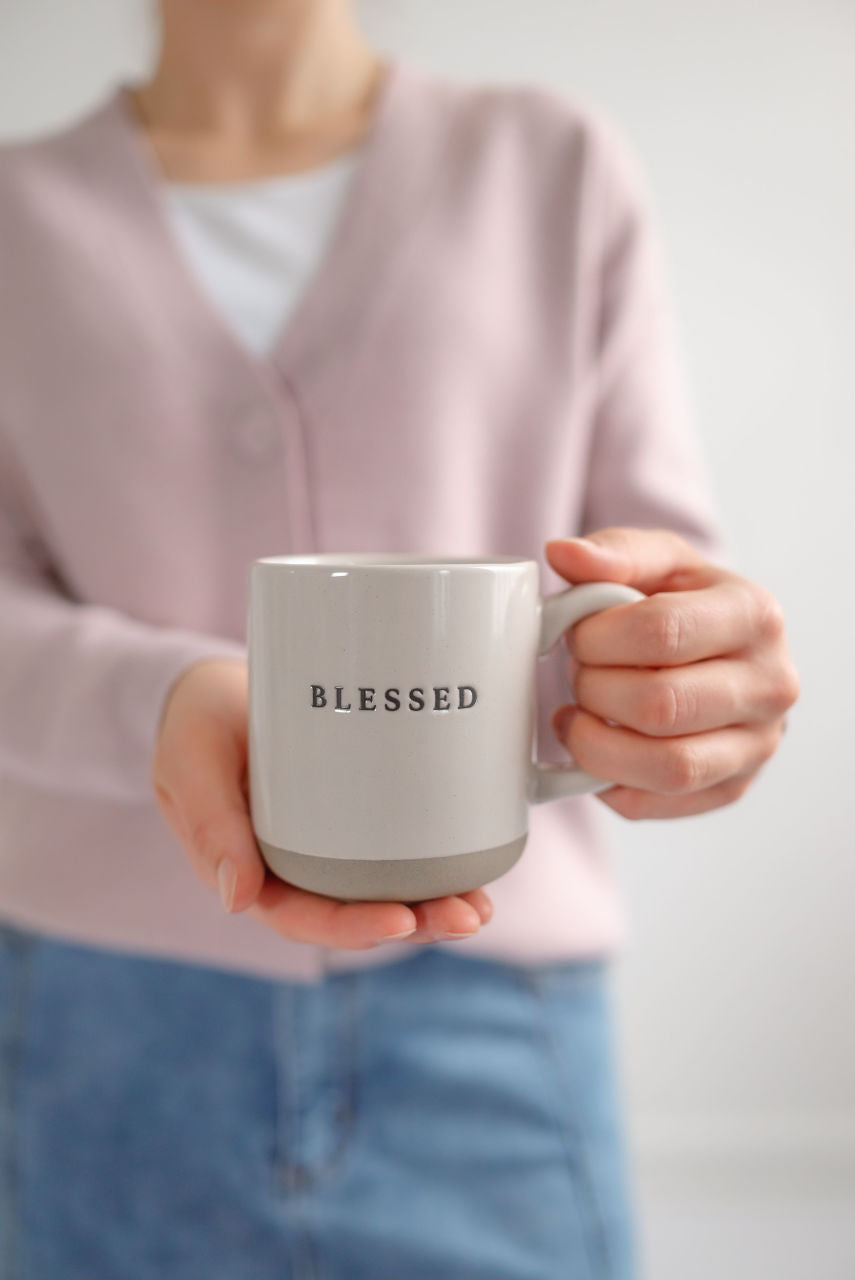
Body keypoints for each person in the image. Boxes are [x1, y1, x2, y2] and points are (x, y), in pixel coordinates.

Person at [0, 1, 799, 1276]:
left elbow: (656, 564)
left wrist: (684, 684)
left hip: (494, 1019)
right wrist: (157, 696)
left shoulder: (554, 167)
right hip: (98, 1026)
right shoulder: (14, 218)